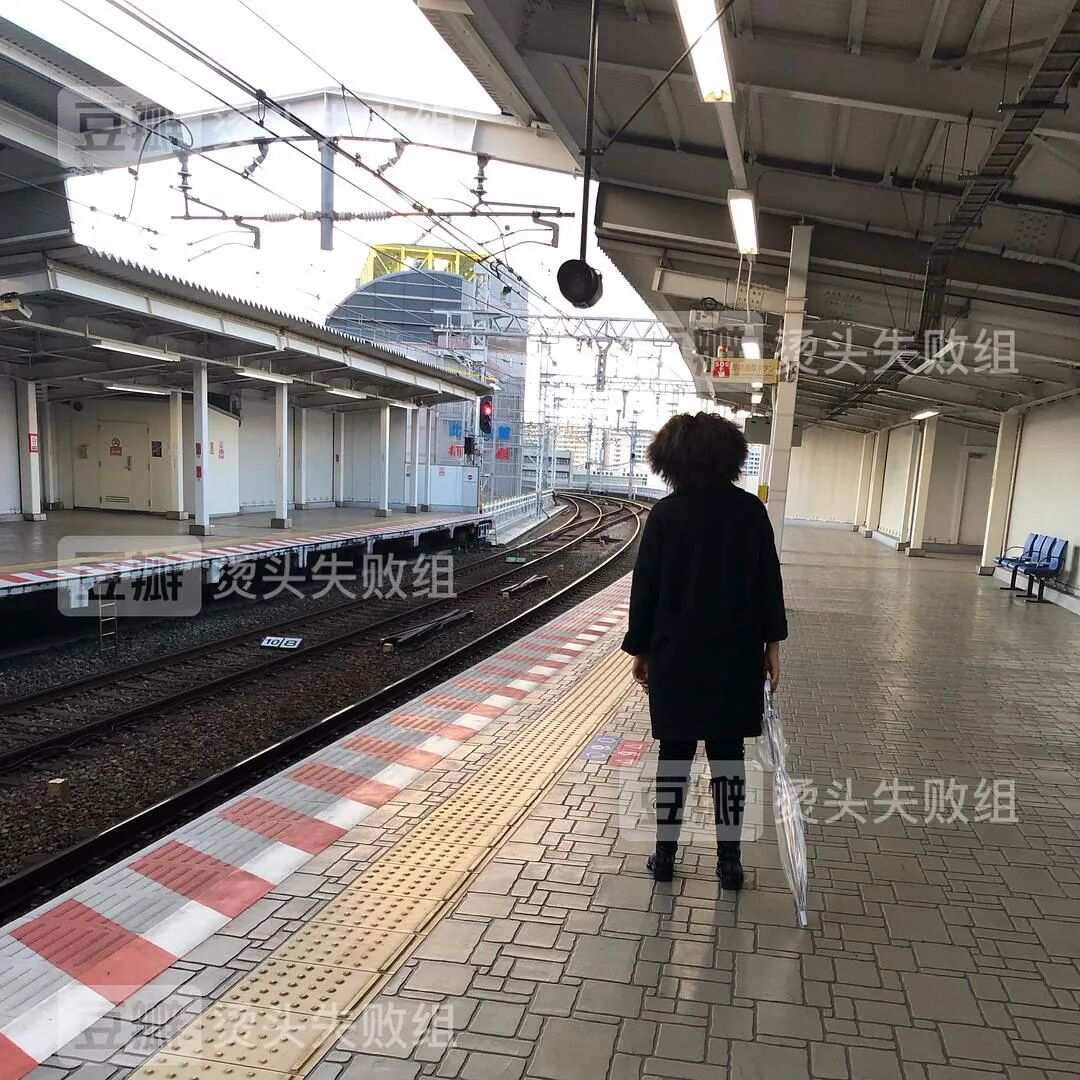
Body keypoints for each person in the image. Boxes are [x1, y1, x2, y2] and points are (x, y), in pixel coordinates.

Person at [621, 412, 787, 889]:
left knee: (674, 757)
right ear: (728, 458)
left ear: (671, 460)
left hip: (676, 656)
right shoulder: (749, 512)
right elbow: (768, 582)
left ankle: (664, 857)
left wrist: (640, 650)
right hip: (735, 656)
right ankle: (729, 863)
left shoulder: (665, 515)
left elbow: (645, 589)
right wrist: (772, 646)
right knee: (728, 759)